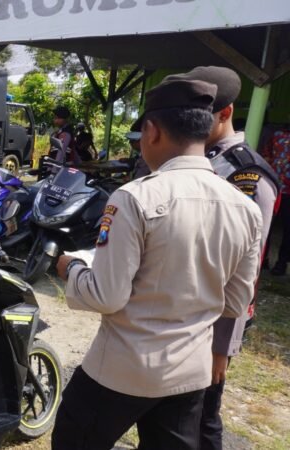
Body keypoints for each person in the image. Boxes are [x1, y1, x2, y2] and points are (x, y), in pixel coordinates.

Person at [51, 77, 263, 450]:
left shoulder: (135, 198)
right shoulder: (244, 207)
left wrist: (71, 268)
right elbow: (235, 302)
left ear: (151, 131)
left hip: (122, 369)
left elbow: (106, 296)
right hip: (189, 374)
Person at [174, 66, 280, 450]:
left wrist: (223, 344)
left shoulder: (245, 174)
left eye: (206, 115)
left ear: (226, 112)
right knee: (173, 414)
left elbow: (244, 269)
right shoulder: (194, 158)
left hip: (216, 318)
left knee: (202, 415)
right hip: (184, 310)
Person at [264, 129, 290, 276]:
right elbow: (267, 155)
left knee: (288, 230)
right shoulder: (277, 135)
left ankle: (281, 263)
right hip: (273, 187)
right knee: (266, 225)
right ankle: (263, 260)